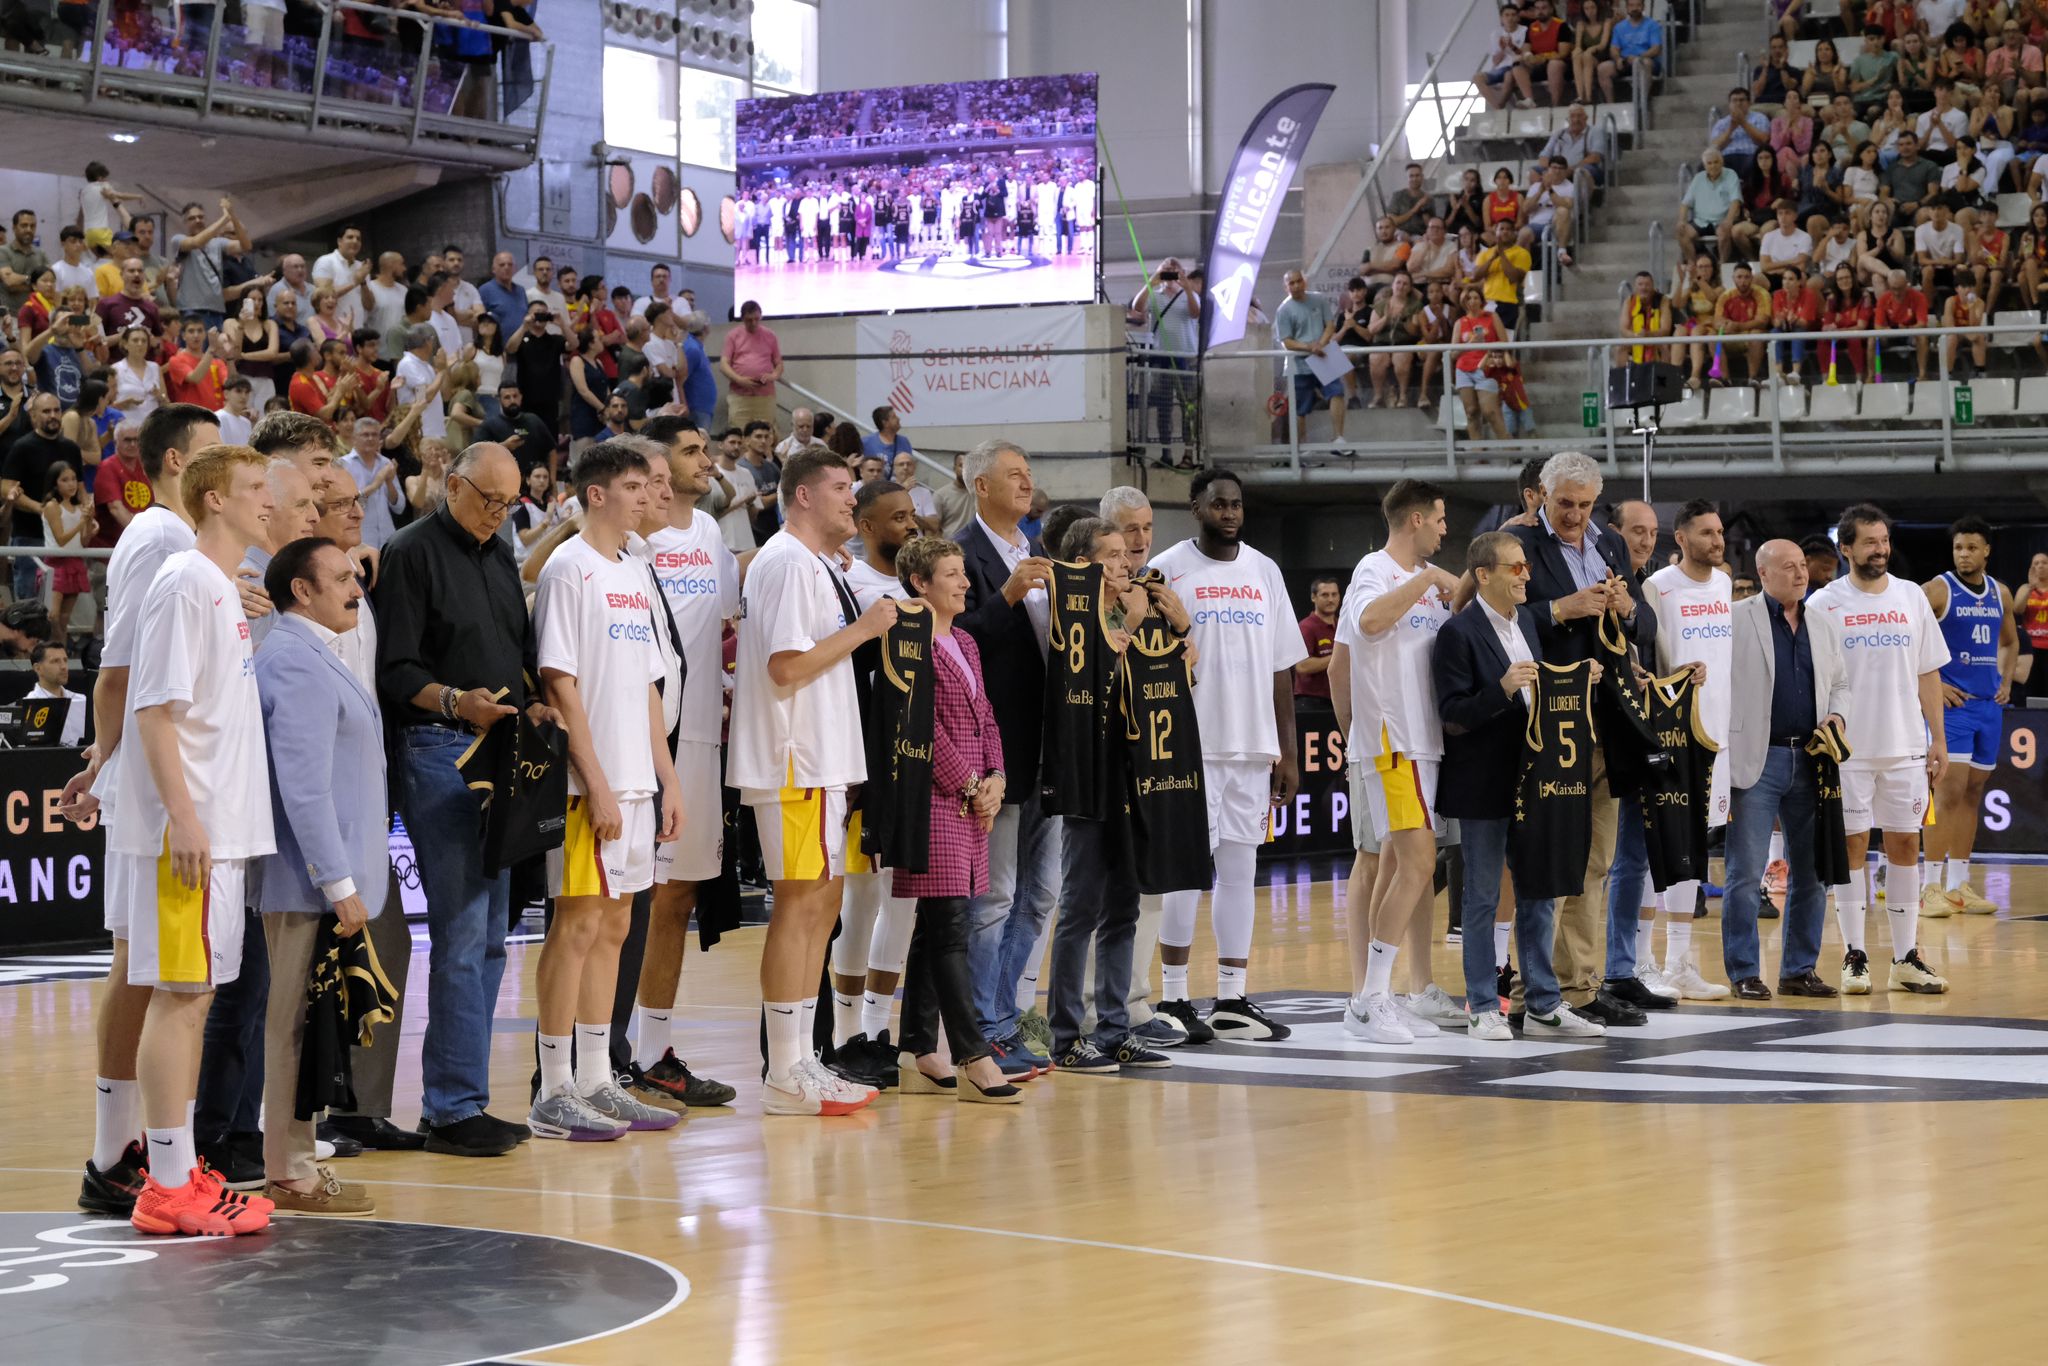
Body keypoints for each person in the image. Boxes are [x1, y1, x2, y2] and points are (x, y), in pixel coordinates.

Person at [101, 443, 277, 1237]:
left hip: (218, 828)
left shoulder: (219, 589)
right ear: (212, 499)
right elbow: (154, 708)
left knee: (195, 999)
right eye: (254, 490)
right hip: (194, 829)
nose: (269, 503)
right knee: (182, 1000)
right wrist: (185, 817)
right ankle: (168, 1183)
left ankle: (178, 1169)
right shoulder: (183, 582)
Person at [373, 442, 553, 1156]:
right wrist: (457, 702)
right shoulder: (411, 552)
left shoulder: (500, 550)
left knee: (490, 937)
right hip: (439, 746)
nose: (500, 514)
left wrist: (532, 701)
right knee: (461, 929)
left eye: (509, 504)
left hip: (500, 748)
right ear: (451, 486)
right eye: (489, 500)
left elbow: (512, 646)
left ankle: (464, 1098)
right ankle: (450, 1107)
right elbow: (397, 667)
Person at [729, 448, 895, 1114]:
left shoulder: (816, 565)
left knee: (821, 906)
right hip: (792, 757)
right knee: (799, 907)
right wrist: (862, 629)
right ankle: (784, 1069)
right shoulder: (789, 564)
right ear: (801, 496)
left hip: (821, 761)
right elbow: (786, 668)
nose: (851, 501)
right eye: (839, 489)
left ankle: (803, 1057)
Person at [527, 440, 684, 1140]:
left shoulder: (631, 571)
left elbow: (650, 686)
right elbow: (559, 682)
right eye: (631, 485)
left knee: (617, 926)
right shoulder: (569, 570)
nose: (646, 496)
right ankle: (553, 1086)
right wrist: (593, 781)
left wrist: (667, 778)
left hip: (636, 780)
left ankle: (598, 1076)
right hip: (587, 782)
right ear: (596, 494)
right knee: (579, 923)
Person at [1490, 450, 1657, 1028]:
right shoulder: (1518, 545)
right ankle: (1539, 990)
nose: (1575, 515)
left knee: (1596, 860)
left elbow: (1647, 626)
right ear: (1542, 493)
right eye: (1565, 503)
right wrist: (1562, 608)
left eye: (1585, 506)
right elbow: (1497, 620)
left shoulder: (1609, 545)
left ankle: (1582, 986)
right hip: (1551, 721)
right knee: (1551, 859)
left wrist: (1627, 607)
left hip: (1608, 719)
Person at [249, 536, 385, 1217]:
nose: (357, 586)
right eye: (341, 578)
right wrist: (338, 882)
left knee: (304, 1022)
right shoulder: (295, 662)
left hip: (317, 879)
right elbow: (304, 790)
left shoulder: (306, 653)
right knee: (293, 1025)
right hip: (307, 882)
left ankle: (294, 1163)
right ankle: (290, 1172)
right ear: (300, 591)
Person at [1150, 469, 1305, 1041]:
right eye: (1219, 504)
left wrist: (1286, 750)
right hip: (1191, 746)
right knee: (1186, 873)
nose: (1231, 513)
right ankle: (1171, 998)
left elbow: (1282, 665)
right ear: (1196, 507)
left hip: (1252, 745)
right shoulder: (1167, 568)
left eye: (1237, 504)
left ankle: (1233, 997)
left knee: (1242, 871)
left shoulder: (1265, 569)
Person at [1436, 531, 1602, 1040]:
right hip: (1483, 783)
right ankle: (1482, 1004)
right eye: (1515, 567)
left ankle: (1543, 1005)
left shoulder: (1527, 621)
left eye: (1526, 566)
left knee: (1537, 891)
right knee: (1482, 898)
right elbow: (1452, 716)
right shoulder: (1457, 634)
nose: (1526, 574)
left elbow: (1541, 684)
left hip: (1534, 779)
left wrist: (1577, 675)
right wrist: (1501, 689)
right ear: (1483, 575)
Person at [625, 418, 740, 1111]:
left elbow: (725, 624)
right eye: (693, 451)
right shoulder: (635, 542)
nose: (707, 460)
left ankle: (652, 1053)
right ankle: (603, 1051)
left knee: (678, 901)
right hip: (645, 740)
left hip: (699, 739)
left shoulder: (713, 538)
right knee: (631, 901)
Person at [888, 535, 1023, 1103]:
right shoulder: (906, 639)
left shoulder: (965, 642)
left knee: (937, 924)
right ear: (921, 584)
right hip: (936, 799)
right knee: (949, 928)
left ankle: (917, 1044)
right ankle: (972, 1053)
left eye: (964, 573)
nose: (966, 582)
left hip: (971, 799)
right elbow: (922, 726)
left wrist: (996, 778)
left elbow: (985, 715)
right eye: (952, 574)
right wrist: (969, 784)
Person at [1807, 503, 1952, 994]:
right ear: (1845, 548)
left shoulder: (1912, 597)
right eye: (1870, 542)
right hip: (1848, 751)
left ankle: (1907, 957)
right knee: (1852, 848)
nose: (1881, 550)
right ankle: (1855, 954)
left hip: (1906, 746)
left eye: (1884, 541)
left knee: (1906, 846)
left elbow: (1927, 672)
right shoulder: (1823, 603)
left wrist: (1939, 739)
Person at [1336, 480, 1460, 1042]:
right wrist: (1429, 577)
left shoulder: (1429, 591)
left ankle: (1379, 996)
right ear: (1414, 519)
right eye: (1438, 519)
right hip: (1394, 739)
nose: (1443, 529)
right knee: (1416, 865)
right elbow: (1366, 624)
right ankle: (1369, 1001)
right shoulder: (1374, 569)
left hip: (1426, 740)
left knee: (1396, 868)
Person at [954, 439, 1059, 1072]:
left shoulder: (1038, 551)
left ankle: (1004, 1015)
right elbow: (956, 641)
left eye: (1029, 472)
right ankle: (981, 1026)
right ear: (981, 487)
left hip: (1052, 746)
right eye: (1013, 475)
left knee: (1041, 896)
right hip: (996, 749)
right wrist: (1009, 597)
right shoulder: (963, 555)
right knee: (995, 896)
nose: (1026, 483)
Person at [821, 480, 923, 1083]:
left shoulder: (920, 589)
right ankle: (845, 1033)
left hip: (912, 761)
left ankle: (880, 1027)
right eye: (898, 517)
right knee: (859, 905)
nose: (910, 526)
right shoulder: (852, 584)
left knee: (904, 898)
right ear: (864, 525)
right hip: (865, 760)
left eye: (913, 516)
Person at [1721, 539, 1851, 1001]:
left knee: (1813, 872)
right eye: (1789, 567)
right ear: (1763, 573)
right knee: (1745, 872)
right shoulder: (1737, 619)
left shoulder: (1822, 621)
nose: (1800, 575)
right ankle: (1743, 970)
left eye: (1802, 567)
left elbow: (1840, 682)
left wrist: (1837, 716)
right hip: (1758, 759)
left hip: (1812, 758)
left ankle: (1799, 969)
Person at [1634, 501, 1737, 1001]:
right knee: (1660, 846)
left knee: (1694, 848)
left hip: (1717, 736)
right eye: (1706, 533)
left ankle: (1679, 962)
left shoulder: (1725, 585)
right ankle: (1639, 961)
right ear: (1681, 538)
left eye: (1719, 533)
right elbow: (1646, 665)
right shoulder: (1658, 588)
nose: (1717, 541)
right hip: (1673, 735)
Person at [1921, 516, 2016, 915]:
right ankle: (1929, 887)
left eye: (1972, 548)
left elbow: (2010, 641)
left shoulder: (2002, 593)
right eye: (1959, 547)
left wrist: (2006, 680)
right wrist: (1935, 683)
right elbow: (1908, 638)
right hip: (1952, 708)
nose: (1964, 554)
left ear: (1987, 551)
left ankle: (1959, 884)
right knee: (1948, 793)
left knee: (1973, 793)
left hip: (1986, 707)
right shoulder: (1937, 590)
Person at [3, 392, 83, 603]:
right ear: (34, 416)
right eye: (46, 411)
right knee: (30, 605)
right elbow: (7, 488)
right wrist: (42, 509)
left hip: (65, 543)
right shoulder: (22, 447)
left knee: (62, 610)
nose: (53, 415)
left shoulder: (71, 449)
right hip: (31, 536)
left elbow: (80, 491)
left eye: (57, 410)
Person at [1275, 269, 1350, 454]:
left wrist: (1321, 345)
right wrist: (1310, 348)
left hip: (1325, 355)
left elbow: (1330, 325)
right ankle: (1304, 448)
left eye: (1299, 281)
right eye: (1291, 283)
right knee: (1301, 407)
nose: (1296, 285)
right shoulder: (1283, 310)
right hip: (1298, 363)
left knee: (1337, 393)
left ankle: (1338, 438)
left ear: (1304, 281)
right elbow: (1287, 341)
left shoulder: (1319, 298)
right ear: (1286, 287)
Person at [40, 460, 96, 639]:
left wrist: (89, 525)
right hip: (56, 564)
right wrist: (82, 523)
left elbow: (83, 541)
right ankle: (50, 652)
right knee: (52, 616)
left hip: (74, 563)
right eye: (65, 480)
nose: (71, 484)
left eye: (73, 479)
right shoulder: (52, 506)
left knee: (64, 620)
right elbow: (61, 539)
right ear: (55, 483)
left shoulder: (79, 507)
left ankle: (60, 655)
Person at [339, 417, 406, 551]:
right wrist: (375, 484)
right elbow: (346, 504)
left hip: (388, 539)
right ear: (354, 438)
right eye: (365, 434)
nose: (370, 438)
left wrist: (389, 483)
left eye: (374, 434)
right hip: (360, 542)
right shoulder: (343, 465)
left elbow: (399, 507)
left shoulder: (386, 463)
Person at [718, 300, 783, 433]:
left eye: (756, 319)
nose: (753, 323)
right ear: (742, 318)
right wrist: (739, 379)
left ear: (761, 317)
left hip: (765, 396)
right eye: (749, 320)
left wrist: (772, 376)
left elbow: (779, 364)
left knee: (766, 433)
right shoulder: (733, 336)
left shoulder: (770, 335)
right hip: (740, 396)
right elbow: (724, 364)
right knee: (739, 433)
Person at [25, 639, 88, 746]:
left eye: (65, 660)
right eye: (55, 661)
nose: (64, 667)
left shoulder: (82, 700)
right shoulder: (29, 706)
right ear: (38, 668)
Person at [1295, 574, 1341, 701]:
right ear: (1313, 597)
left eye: (1334, 594)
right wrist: (1339, 657)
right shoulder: (1306, 627)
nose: (1331, 599)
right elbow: (1302, 666)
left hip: (1338, 699)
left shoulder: (1343, 626)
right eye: (1325, 595)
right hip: (1312, 701)